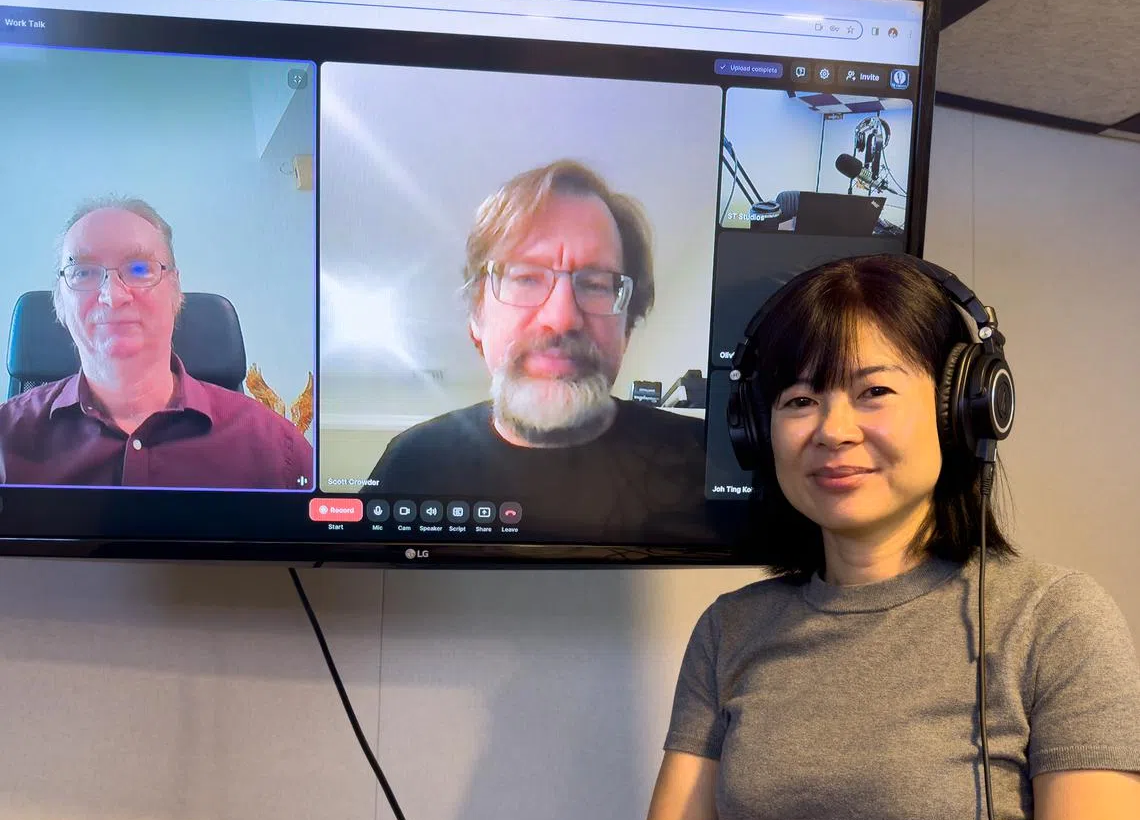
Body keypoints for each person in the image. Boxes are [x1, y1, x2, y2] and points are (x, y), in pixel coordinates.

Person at [634, 254, 1140, 820]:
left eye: (873, 391)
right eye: (800, 399)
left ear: (962, 408)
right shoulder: (729, 631)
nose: (833, 430)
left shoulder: (1057, 622)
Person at [363, 160, 709, 542]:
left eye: (595, 284)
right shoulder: (411, 462)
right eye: (526, 278)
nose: (561, 319)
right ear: (477, 317)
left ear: (626, 328)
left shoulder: (707, 462)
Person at [0, 198, 313, 489]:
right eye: (83, 272)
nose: (114, 296)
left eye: (138, 269)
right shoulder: (5, 439)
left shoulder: (277, 450)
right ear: (60, 303)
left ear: (175, 290)